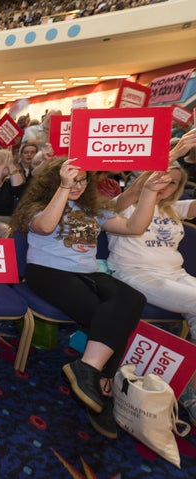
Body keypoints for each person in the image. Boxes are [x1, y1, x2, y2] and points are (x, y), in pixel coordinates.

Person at [9, 157, 171, 439]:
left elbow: (134, 227)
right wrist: (64, 186)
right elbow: (46, 227)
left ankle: (88, 369)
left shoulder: (93, 209)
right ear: (54, 179)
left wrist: (149, 192)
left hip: (89, 272)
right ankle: (104, 386)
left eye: (83, 179)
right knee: (106, 315)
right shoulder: (37, 206)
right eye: (73, 178)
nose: (78, 184)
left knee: (132, 300)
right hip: (47, 272)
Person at [107, 164, 196, 425]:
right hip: (137, 275)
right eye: (161, 179)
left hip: (177, 275)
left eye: (172, 183)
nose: (165, 186)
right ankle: (191, 385)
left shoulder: (173, 207)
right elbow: (131, 194)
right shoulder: (125, 204)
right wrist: (173, 154)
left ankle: (189, 380)